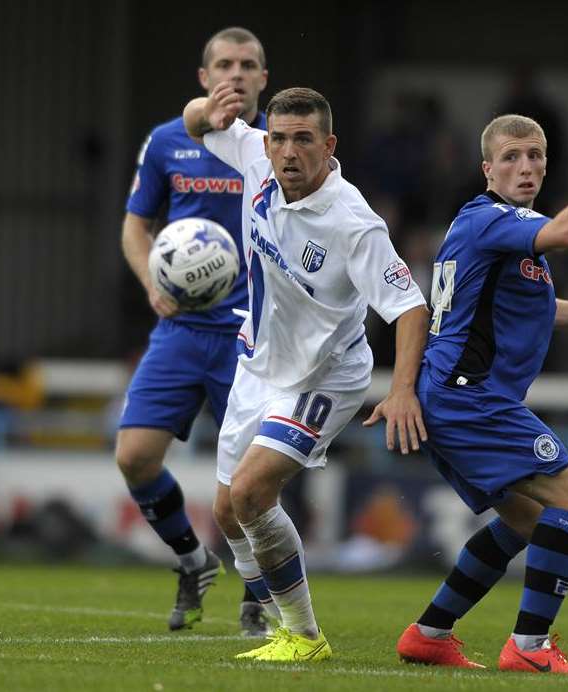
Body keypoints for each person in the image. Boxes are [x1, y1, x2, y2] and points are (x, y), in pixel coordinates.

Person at [395, 114, 568, 675]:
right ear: (487, 168)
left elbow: (537, 307)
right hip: (470, 399)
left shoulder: (498, 232)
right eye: (513, 157)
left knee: (524, 518)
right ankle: (530, 645)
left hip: (452, 397)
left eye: (537, 156)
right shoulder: (494, 219)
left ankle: (428, 634)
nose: (527, 167)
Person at [184, 84, 429, 662]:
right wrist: (206, 110)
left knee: (250, 491)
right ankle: (279, 626)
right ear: (265, 142)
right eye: (279, 139)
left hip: (326, 374)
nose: (289, 152)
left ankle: (304, 635)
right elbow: (197, 124)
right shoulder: (254, 158)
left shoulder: (353, 222)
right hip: (259, 362)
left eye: (303, 140)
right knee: (227, 512)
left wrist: (401, 391)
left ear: (328, 145)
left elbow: (410, 307)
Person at [116, 27, 269, 634]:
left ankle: (258, 594)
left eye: (249, 65)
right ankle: (192, 560)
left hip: (251, 336)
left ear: (263, 78)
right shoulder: (167, 142)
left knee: (250, 489)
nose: (236, 73)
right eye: (224, 65)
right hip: (180, 329)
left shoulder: (273, 148)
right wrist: (151, 283)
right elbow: (135, 228)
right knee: (134, 457)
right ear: (204, 79)